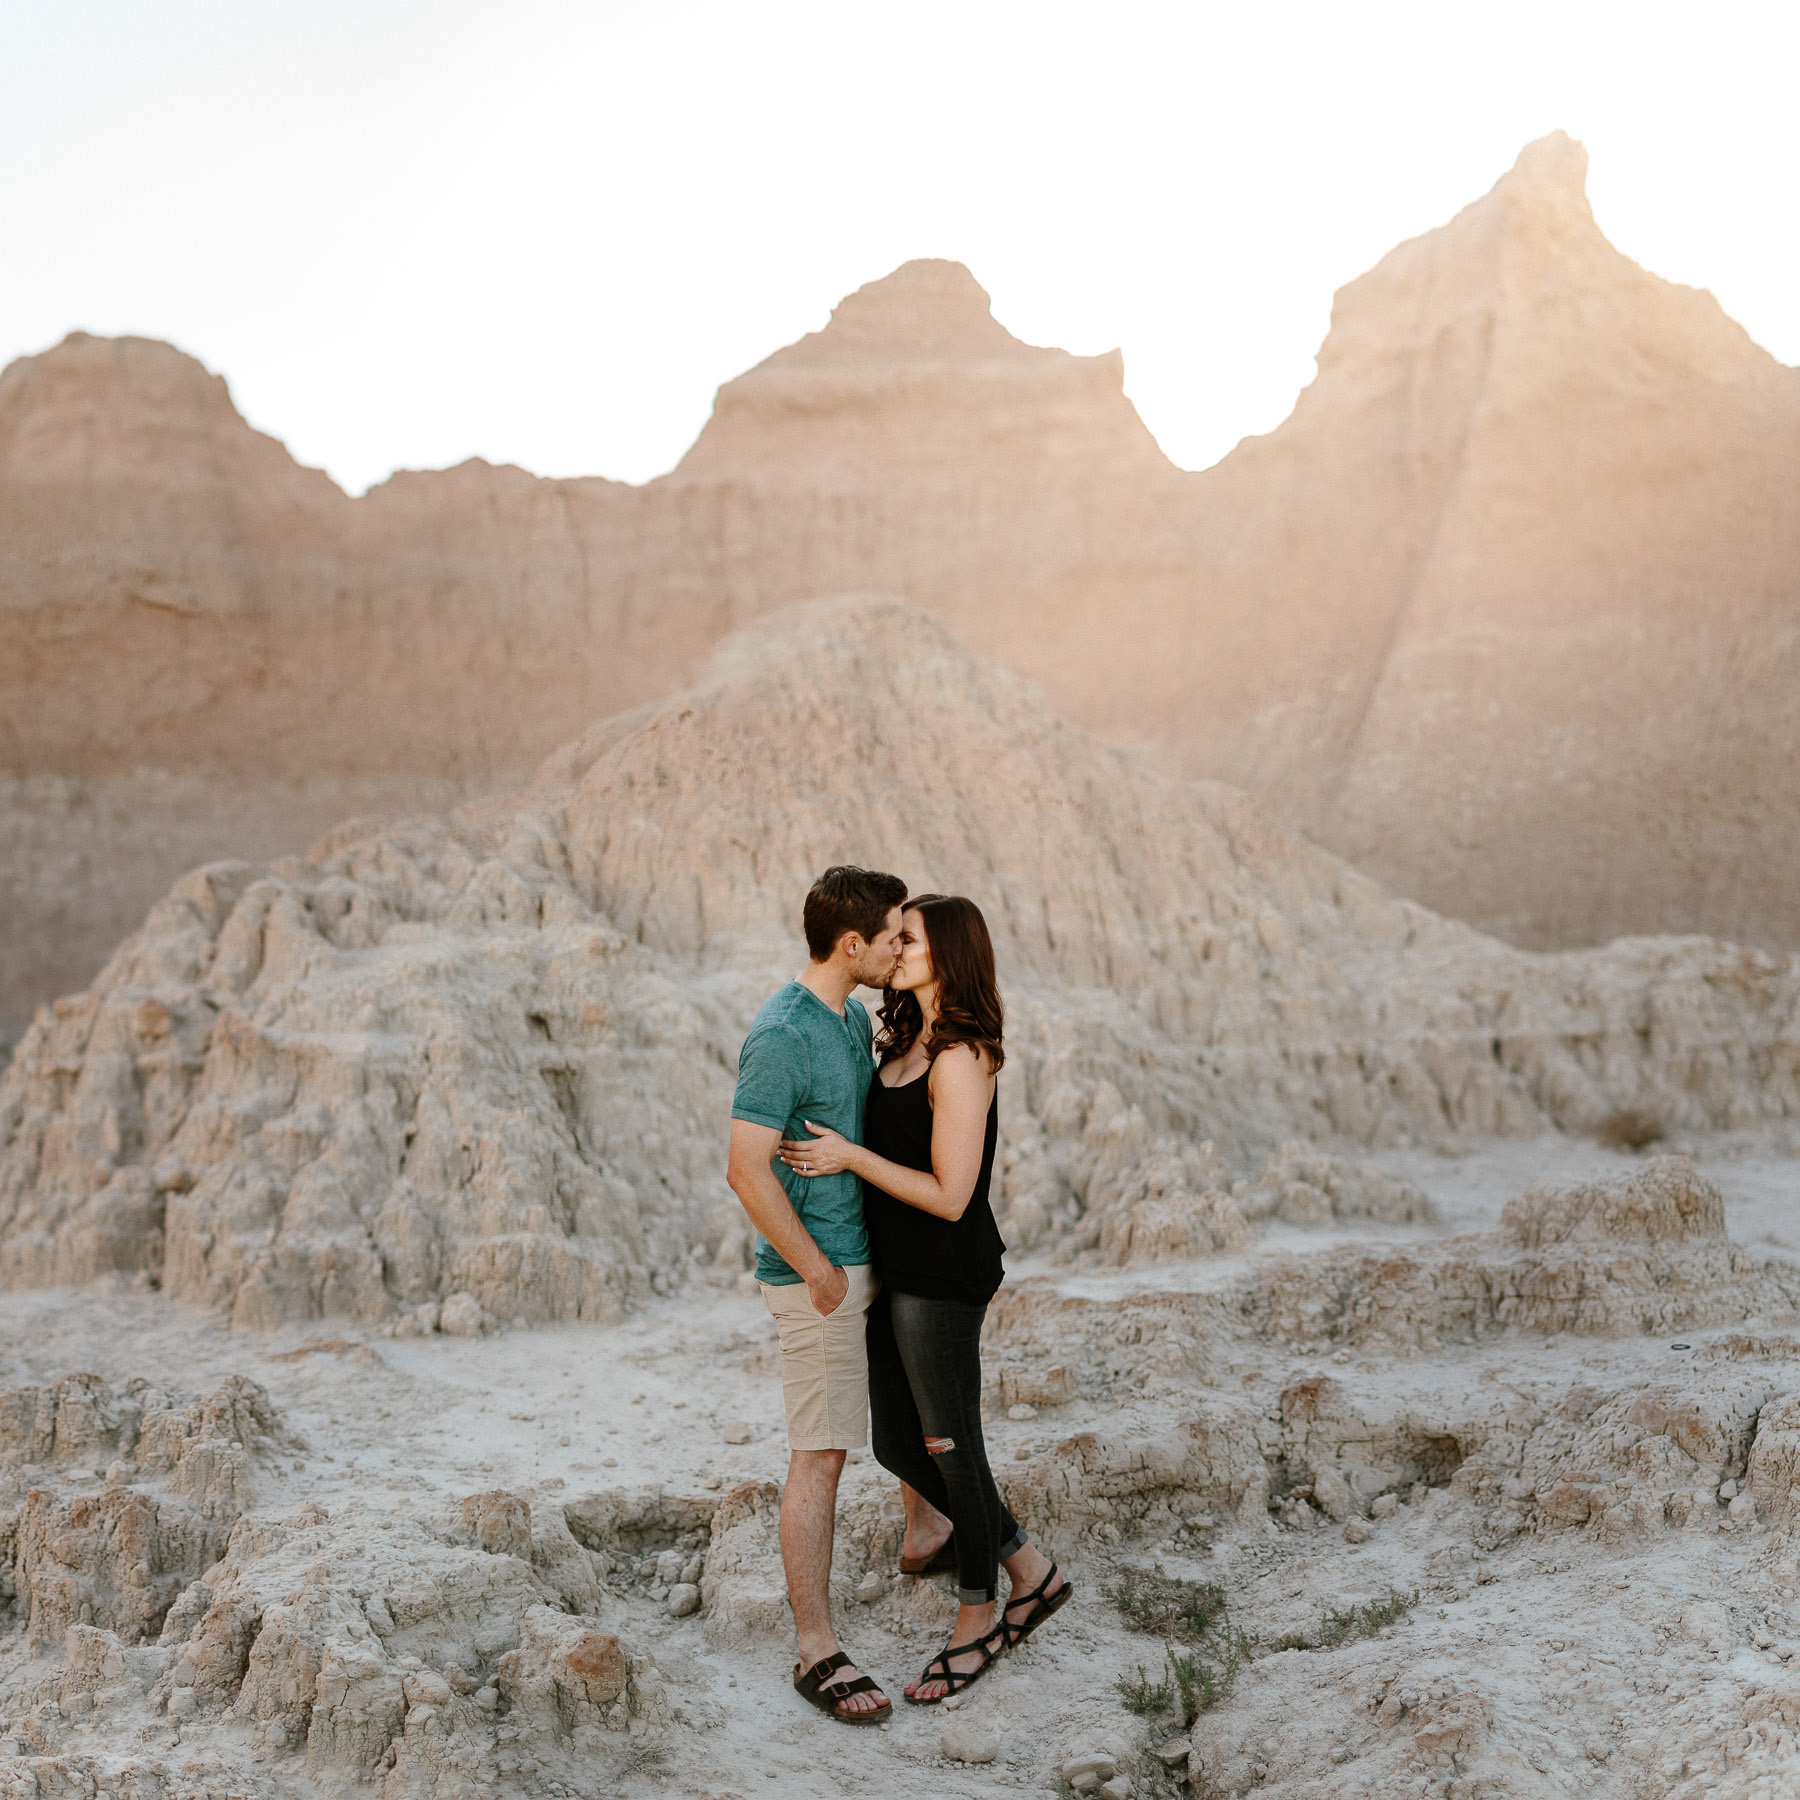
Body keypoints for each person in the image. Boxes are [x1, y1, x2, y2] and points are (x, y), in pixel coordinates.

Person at [778, 894, 1070, 1705]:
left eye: (910, 939)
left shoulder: (962, 1057)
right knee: (901, 1446)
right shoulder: (907, 1039)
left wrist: (847, 1157)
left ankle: (980, 1618)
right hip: (897, 1273)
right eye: (896, 935)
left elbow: (949, 1196)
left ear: (951, 957)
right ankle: (1031, 1570)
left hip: (943, 1275)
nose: (894, 948)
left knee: (951, 1447)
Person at [726, 865, 908, 1726]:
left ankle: (934, 1539)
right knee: (822, 1452)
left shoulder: (849, 1017)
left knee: (884, 1429)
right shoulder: (783, 1034)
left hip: (863, 1263)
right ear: (852, 944)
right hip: (819, 1280)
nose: (901, 948)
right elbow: (743, 1169)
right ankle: (816, 1650)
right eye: (893, 936)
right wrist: (820, 1273)